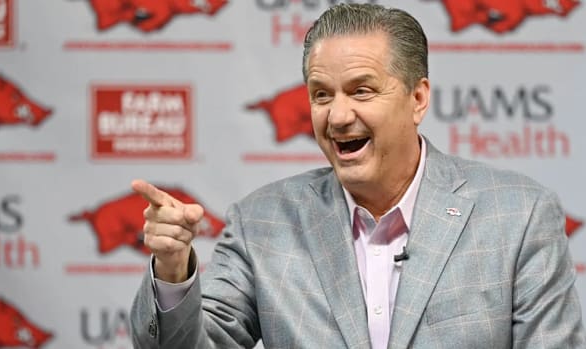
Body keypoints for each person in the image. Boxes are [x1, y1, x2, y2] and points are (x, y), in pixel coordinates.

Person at [129, 3, 586, 348]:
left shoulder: (519, 215)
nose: (338, 115)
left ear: (418, 98)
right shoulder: (261, 223)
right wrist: (173, 270)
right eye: (321, 94)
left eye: (361, 90)